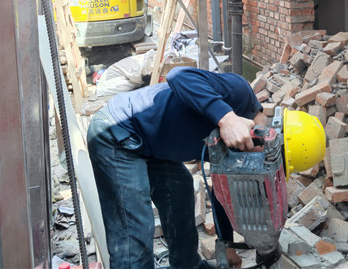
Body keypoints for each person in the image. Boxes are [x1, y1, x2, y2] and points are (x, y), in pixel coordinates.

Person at [87, 66, 265, 269]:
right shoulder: (240, 92)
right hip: (118, 132)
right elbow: (178, 76)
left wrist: (226, 244)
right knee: (135, 227)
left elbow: (220, 188)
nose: (253, 166)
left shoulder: (240, 147)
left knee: (179, 192)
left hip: (153, 145)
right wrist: (228, 119)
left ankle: (187, 265)